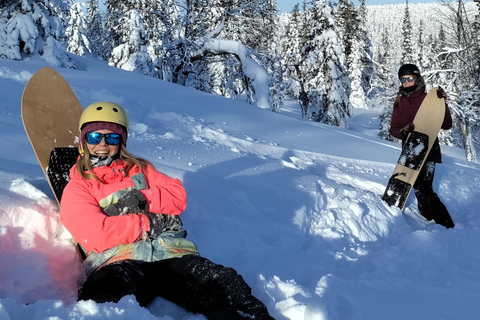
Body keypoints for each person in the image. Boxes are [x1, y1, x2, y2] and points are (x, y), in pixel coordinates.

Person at [59, 101, 274, 320]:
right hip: (119, 261)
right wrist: (151, 222)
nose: (103, 144)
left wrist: (141, 199)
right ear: (84, 140)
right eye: (95, 137)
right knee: (104, 299)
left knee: (224, 284)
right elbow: (98, 235)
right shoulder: (79, 186)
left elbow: (177, 196)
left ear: (122, 141)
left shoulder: (140, 169)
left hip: (170, 253)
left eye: (112, 137)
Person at [390, 64, 454, 229]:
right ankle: (426, 214)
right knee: (418, 187)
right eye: (403, 79)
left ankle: (446, 224)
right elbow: (393, 129)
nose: (406, 82)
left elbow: (446, 124)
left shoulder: (429, 98)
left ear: (417, 79)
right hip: (410, 152)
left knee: (424, 187)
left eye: (409, 78)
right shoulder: (399, 102)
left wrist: (443, 103)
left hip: (429, 150)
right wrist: (403, 131)